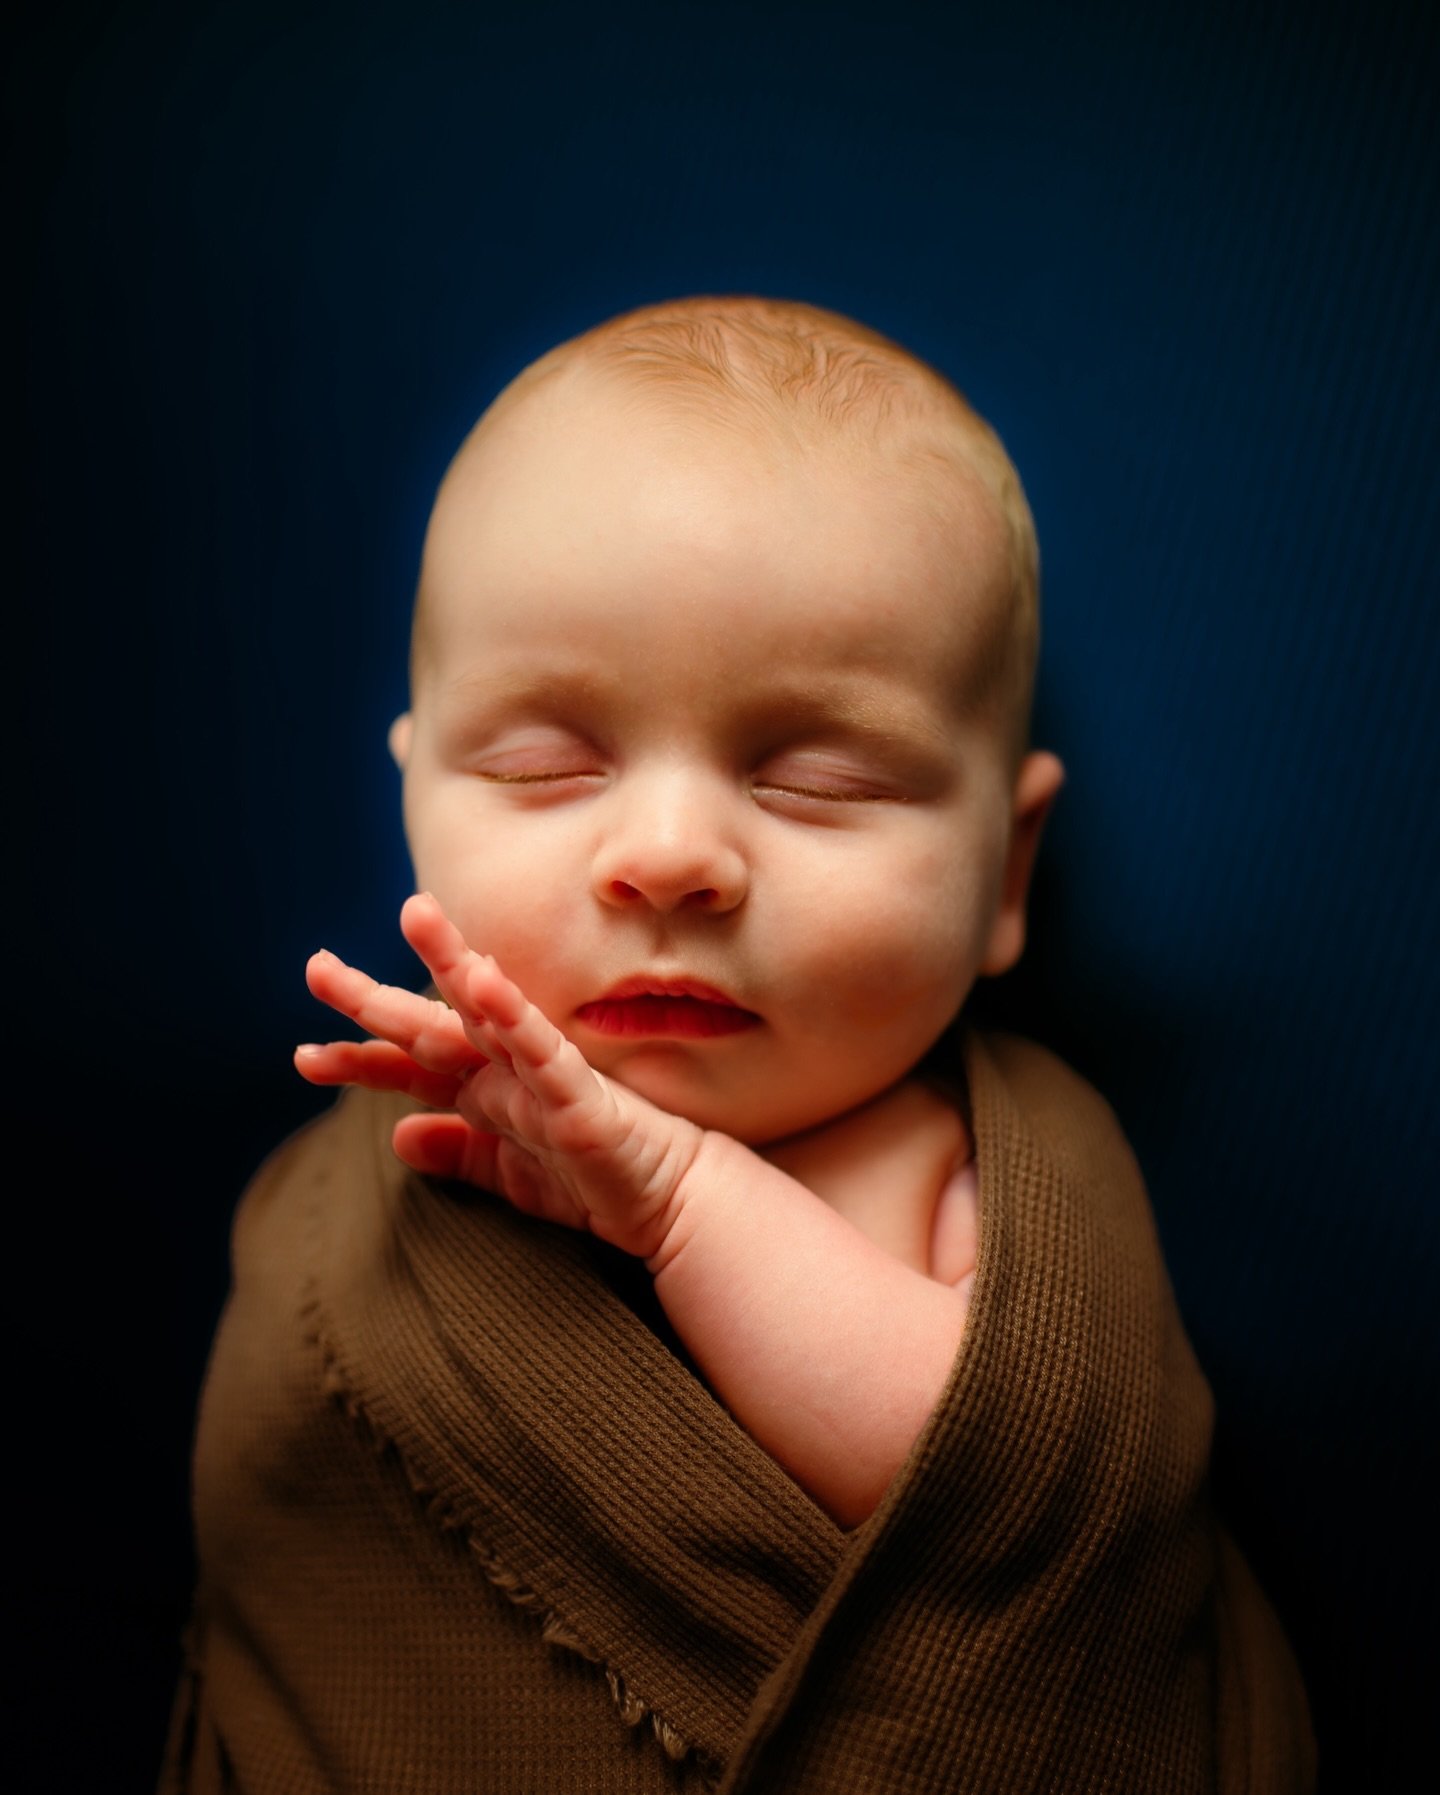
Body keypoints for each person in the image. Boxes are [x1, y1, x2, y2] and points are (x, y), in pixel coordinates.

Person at [162, 296, 1315, 1793]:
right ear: (417, 798)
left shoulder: (979, 1168)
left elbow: (1016, 1496)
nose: (668, 857)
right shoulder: (382, 1185)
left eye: (822, 782)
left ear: (1007, 874)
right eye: (545, 764)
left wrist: (684, 1202)